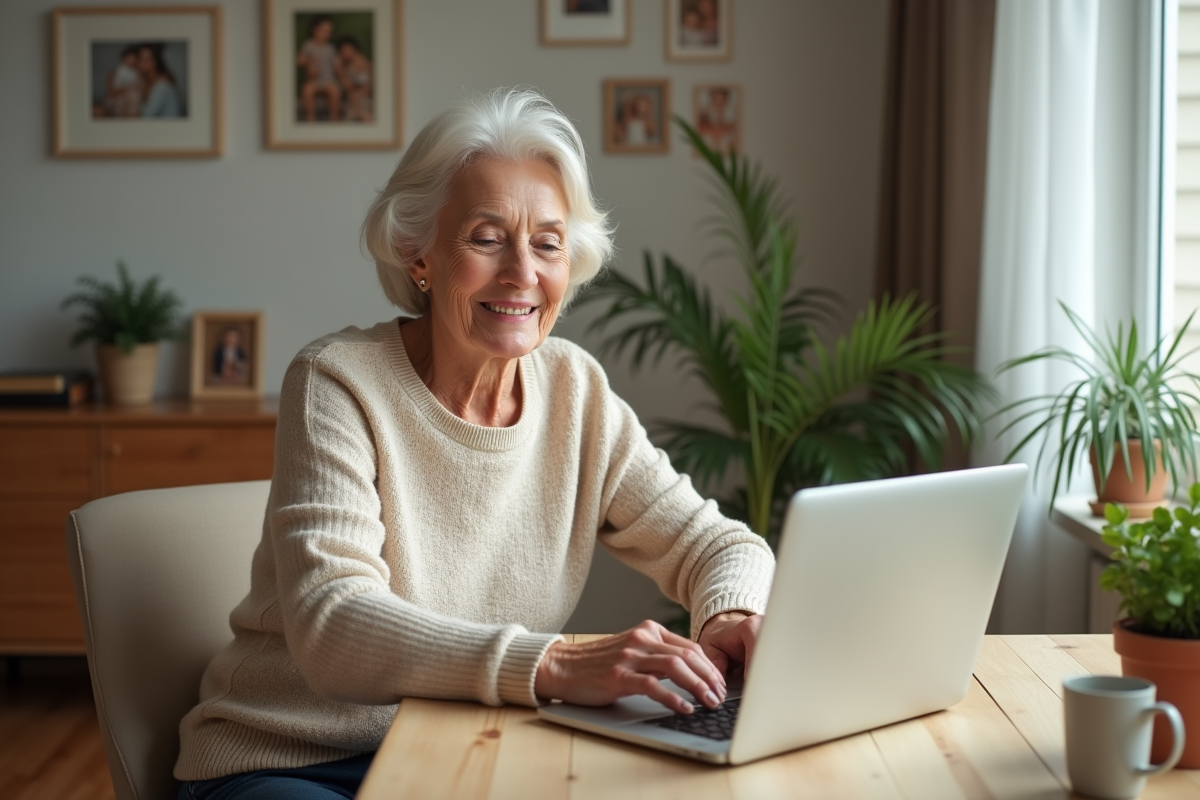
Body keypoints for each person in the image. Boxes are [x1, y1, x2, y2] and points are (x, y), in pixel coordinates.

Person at [174, 88, 774, 800]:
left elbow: (719, 544)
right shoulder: (337, 381)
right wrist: (552, 665)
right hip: (291, 757)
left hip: (467, 751)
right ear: (417, 254)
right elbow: (333, 624)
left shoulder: (575, 390)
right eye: (486, 238)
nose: (522, 272)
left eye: (548, 243)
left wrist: (729, 614)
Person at [298, 16, 343, 122]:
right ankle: (310, 119)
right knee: (307, 90)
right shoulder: (308, 45)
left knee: (334, 91)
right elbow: (300, 60)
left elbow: (337, 66)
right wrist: (309, 62)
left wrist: (342, 76)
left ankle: (334, 119)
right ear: (315, 30)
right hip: (313, 80)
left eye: (329, 32)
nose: (327, 34)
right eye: (324, 31)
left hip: (328, 80)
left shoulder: (330, 48)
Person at [137, 44, 183, 118]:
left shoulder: (161, 84)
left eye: (147, 59)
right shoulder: (148, 81)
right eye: (140, 59)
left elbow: (147, 114)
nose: (142, 63)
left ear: (156, 61)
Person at [337, 36, 373, 123]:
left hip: (364, 97)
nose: (346, 54)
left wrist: (357, 93)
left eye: (349, 50)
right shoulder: (341, 64)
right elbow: (347, 85)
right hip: (351, 99)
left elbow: (368, 86)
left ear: (355, 50)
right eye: (343, 51)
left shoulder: (363, 63)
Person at [101, 45, 142, 118]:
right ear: (123, 58)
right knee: (120, 102)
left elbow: (139, 89)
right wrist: (123, 89)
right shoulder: (114, 73)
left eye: (134, 58)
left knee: (134, 96)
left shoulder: (138, 73)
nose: (132, 60)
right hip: (117, 96)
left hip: (130, 97)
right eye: (129, 57)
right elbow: (111, 91)